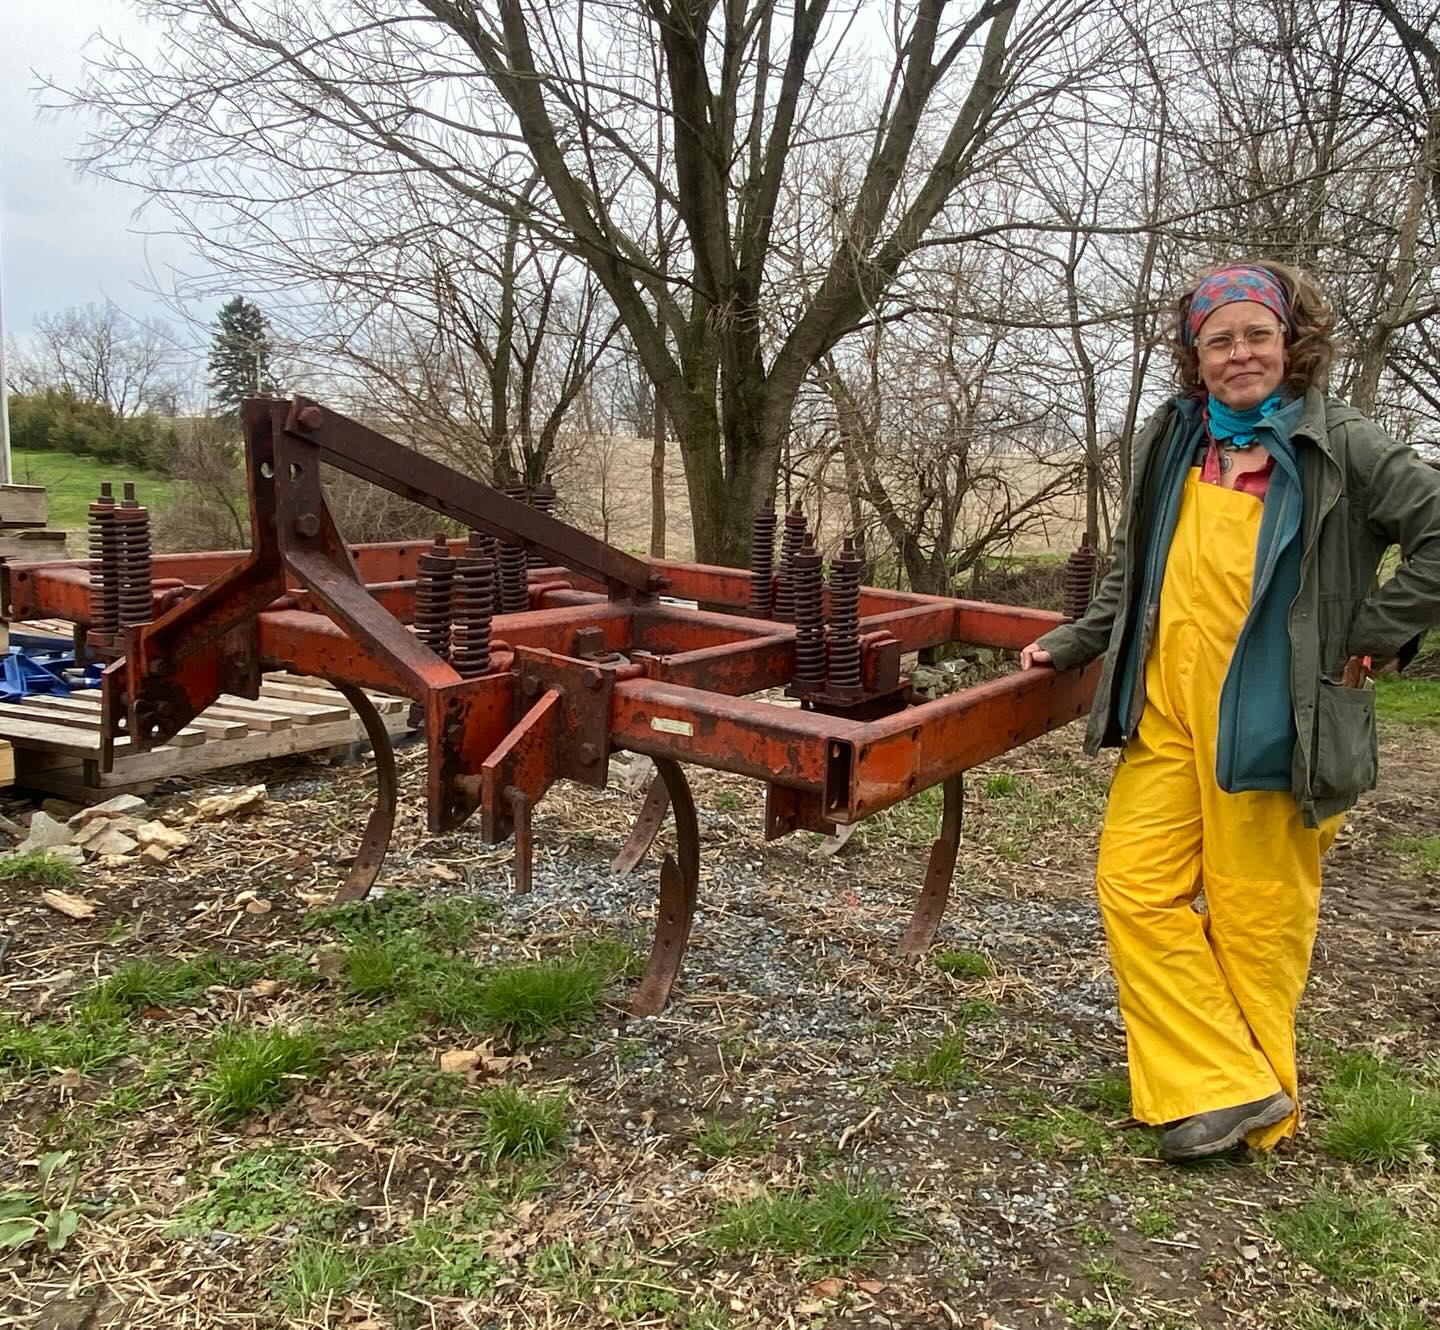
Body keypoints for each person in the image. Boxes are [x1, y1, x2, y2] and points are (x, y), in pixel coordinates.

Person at [1021, 262, 1440, 1163]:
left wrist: (1372, 632)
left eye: (1258, 334)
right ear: (1196, 354)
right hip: (1167, 704)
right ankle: (1226, 1081)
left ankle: (1248, 1109)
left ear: (1291, 342)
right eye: (1220, 340)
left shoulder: (1343, 443)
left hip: (1277, 716)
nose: (1240, 353)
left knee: (1255, 916)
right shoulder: (1175, 436)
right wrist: (1079, 639)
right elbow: (1137, 564)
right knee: (1134, 884)